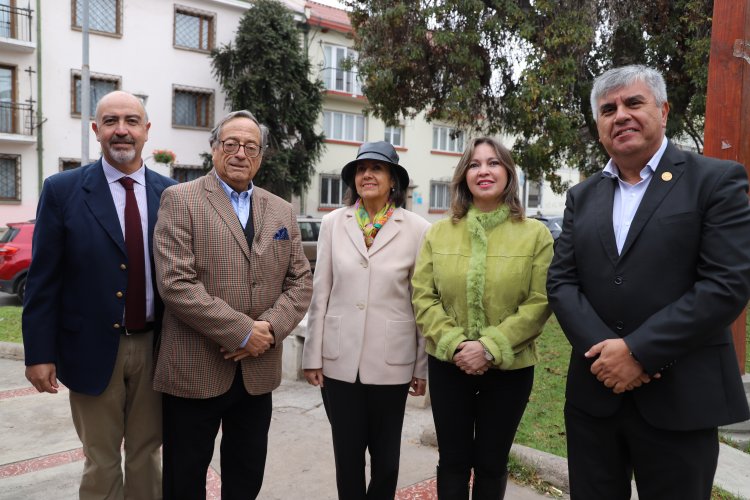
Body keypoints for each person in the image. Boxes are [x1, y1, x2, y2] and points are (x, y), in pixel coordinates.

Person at [547, 64, 750, 500]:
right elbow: (562, 283)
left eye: (633, 103)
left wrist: (638, 352)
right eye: (608, 109)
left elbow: (726, 284)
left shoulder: (715, 181)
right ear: (599, 126)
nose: (620, 115)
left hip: (681, 398)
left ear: (663, 110)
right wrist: (609, 353)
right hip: (594, 396)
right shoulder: (582, 197)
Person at [22, 90, 175, 499]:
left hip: (157, 348)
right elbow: (43, 280)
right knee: (101, 457)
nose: (120, 130)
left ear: (146, 131)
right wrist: (38, 353)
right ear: (96, 130)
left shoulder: (173, 194)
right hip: (90, 348)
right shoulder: (62, 190)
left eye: (130, 121)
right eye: (110, 122)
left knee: (147, 454)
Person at [153, 109, 312, 500]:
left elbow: (300, 281)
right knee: (184, 480)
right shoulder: (180, 199)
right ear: (214, 149)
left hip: (256, 374)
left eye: (250, 146)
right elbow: (176, 283)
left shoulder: (281, 210)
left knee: (245, 476)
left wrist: (268, 331)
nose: (240, 153)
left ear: (260, 156)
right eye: (231, 144)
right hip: (194, 370)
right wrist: (242, 331)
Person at [412, 137, 553, 499]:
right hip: (449, 364)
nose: (484, 171)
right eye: (475, 164)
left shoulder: (535, 234)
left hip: (511, 368)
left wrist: (490, 347)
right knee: (453, 460)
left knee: (491, 462)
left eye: (493, 163)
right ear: (464, 176)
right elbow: (423, 295)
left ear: (508, 172)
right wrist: (458, 344)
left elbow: (540, 302)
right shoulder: (438, 232)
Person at [302, 141, 430, 499]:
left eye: (377, 169)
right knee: (347, 458)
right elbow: (321, 291)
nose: (367, 175)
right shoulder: (332, 223)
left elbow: (420, 302)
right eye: (361, 169)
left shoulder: (418, 228)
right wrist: (312, 355)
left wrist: (421, 367)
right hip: (338, 361)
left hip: (393, 361)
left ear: (393, 181)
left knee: (387, 461)